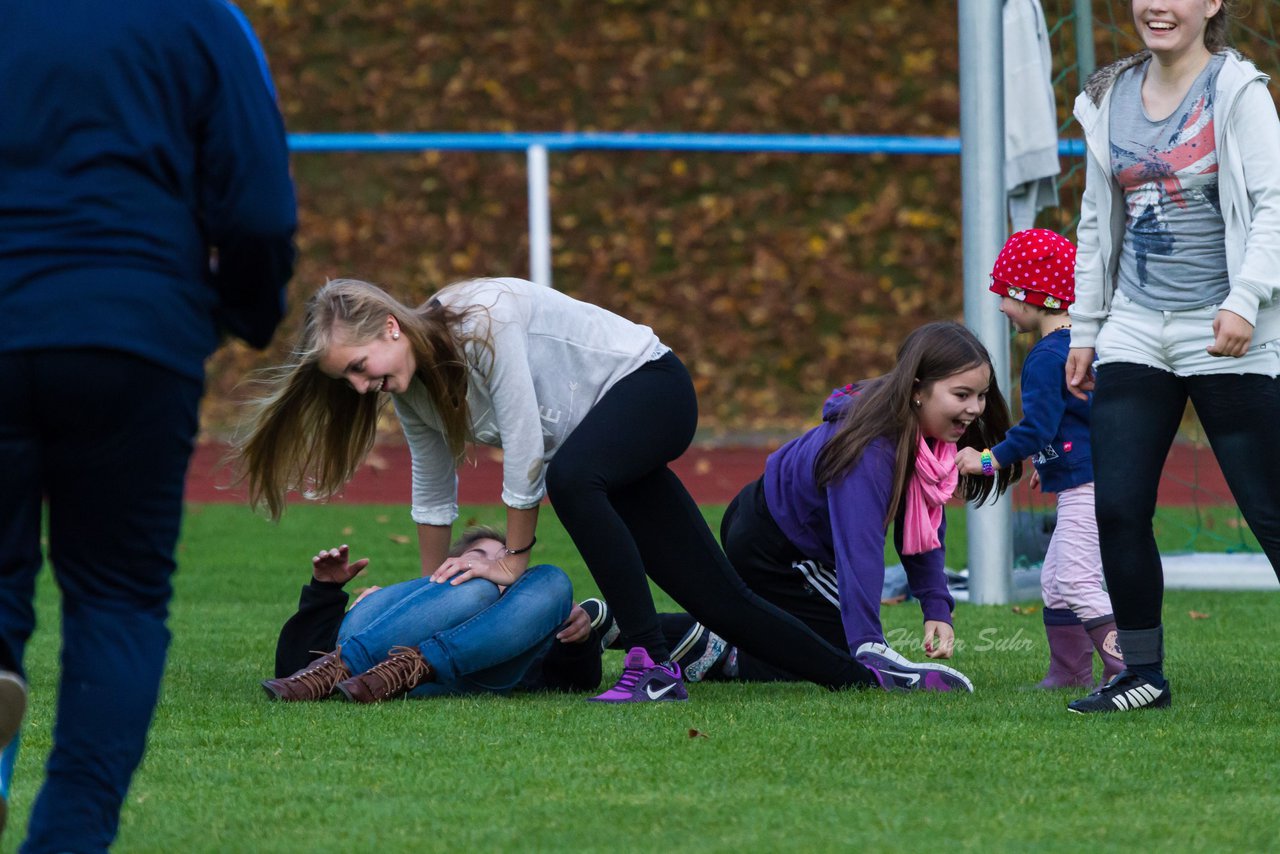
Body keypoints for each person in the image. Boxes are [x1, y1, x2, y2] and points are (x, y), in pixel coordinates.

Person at [236, 277, 880, 703]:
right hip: (600, 447)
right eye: (344, 380)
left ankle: (651, 668)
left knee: (570, 478)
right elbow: (433, 487)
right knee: (721, 602)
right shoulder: (414, 388)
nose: (357, 386)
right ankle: (861, 680)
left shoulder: (480, 320)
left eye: (357, 367)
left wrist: (514, 557)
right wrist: (431, 597)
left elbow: (523, 443)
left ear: (390, 330)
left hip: (652, 388)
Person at [0, 1, 296, 847]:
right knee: (116, 601)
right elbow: (260, 211)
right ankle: (70, 833)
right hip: (130, 331)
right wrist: (238, 311)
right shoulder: (200, 18)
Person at [1064, 0, 1280, 714]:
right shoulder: (1108, 95)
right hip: (1134, 325)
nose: (1158, 6)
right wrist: (1086, 327)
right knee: (1119, 506)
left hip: (1224, 328)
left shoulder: (1238, 92)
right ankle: (1143, 676)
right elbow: (1097, 219)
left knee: (1268, 509)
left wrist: (1245, 298)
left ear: (1212, 3)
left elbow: (1275, 205)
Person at [719, 322, 1021, 691]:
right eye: (962, 395)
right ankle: (713, 642)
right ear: (917, 391)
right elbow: (859, 545)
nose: (975, 408)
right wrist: (868, 644)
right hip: (771, 545)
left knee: (819, 650)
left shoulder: (928, 440)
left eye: (982, 395)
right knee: (835, 658)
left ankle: (723, 639)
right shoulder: (872, 451)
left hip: (781, 538)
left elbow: (921, 526)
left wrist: (936, 606)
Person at [265, 529, 740, 700]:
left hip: (469, 670)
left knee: (552, 578)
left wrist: (582, 636)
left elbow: (568, 683)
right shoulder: (400, 596)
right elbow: (290, 668)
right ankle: (351, 668)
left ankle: (404, 671)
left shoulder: (518, 616)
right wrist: (325, 593)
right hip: (363, 657)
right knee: (471, 595)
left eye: (503, 563)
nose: (495, 572)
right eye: (479, 557)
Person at [956, 229, 1123, 689]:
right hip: (1090, 477)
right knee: (1054, 580)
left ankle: (1128, 669)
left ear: (1035, 298)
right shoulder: (1078, 345)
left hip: (1088, 488)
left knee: (1075, 578)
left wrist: (986, 461)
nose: (1002, 307)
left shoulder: (1047, 356)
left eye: (1007, 295)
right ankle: (1068, 673)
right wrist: (1048, 464)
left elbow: (1037, 429)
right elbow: (1077, 424)